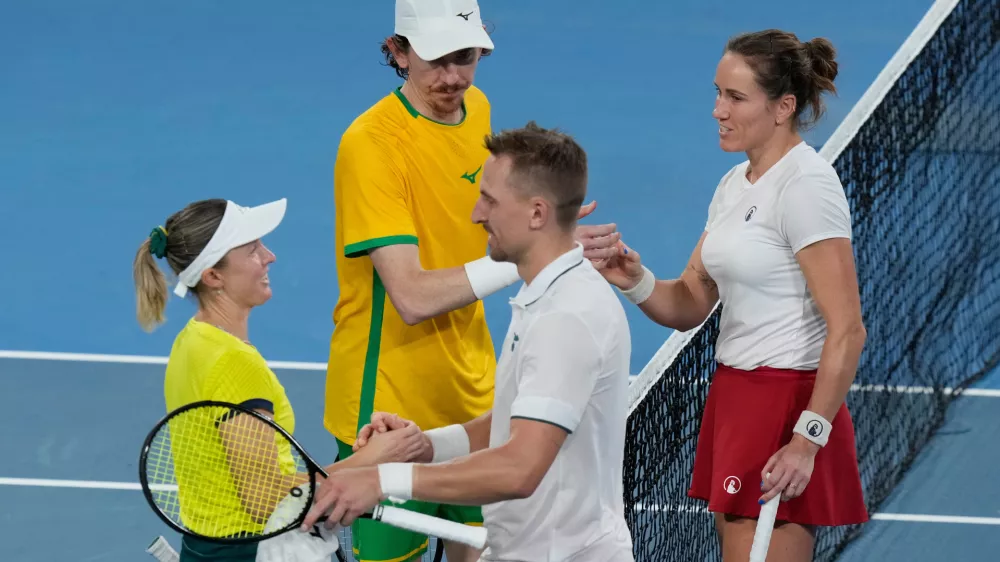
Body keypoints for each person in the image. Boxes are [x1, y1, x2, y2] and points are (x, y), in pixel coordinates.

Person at [324, 1, 620, 560]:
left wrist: (538, 242)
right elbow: (409, 296)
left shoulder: (476, 109)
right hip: (389, 401)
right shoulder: (371, 145)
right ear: (398, 52)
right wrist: (547, 247)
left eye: (465, 58)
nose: (453, 77)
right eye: (435, 60)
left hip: (475, 394)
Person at [594, 29, 869, 561]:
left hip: (787, 401)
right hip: (735, 397)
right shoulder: (733, 186)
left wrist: (807, 440)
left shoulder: (805, 188)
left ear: (783, 107)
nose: (718, 110)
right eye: (717, 93)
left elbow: (848, 329)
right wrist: (634, 278)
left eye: (736, 97)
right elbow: (691, 302)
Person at [132, 197, 426, 562]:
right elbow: (266, 502)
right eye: (253, 250)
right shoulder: (234, 364)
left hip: (209, 548)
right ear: (213, 276)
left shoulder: (192, 342)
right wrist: (372, 461)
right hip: (253, 551)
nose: (269, 256)